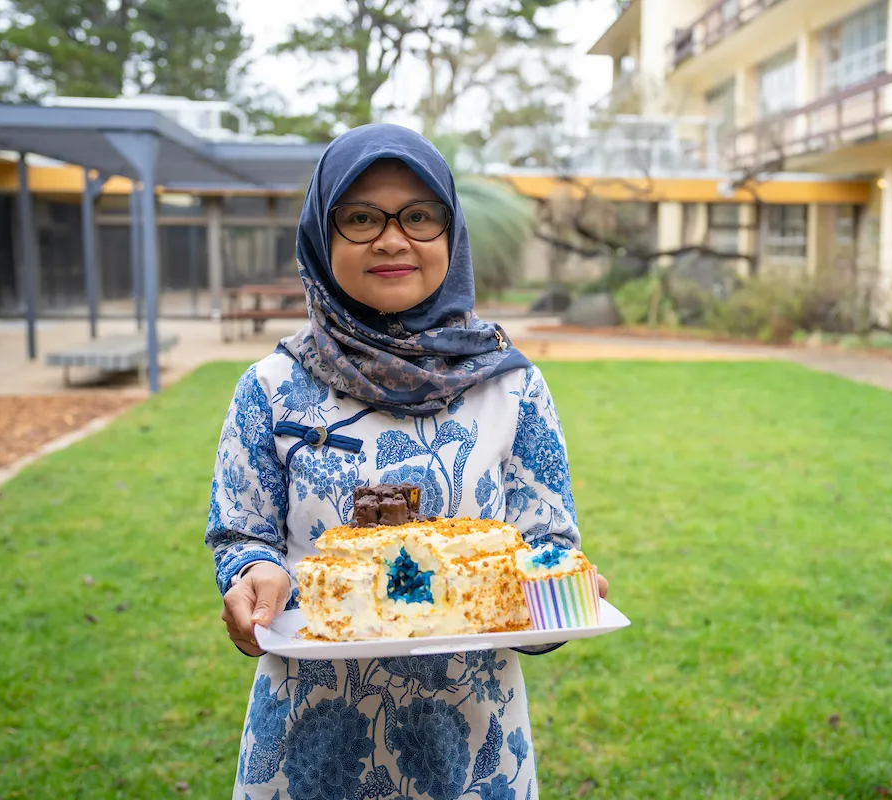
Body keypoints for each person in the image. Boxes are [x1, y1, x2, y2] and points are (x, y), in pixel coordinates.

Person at [206, 124, 608, 800]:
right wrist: (251, 574)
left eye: (419, 216)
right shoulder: (271, 388)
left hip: (469, 746)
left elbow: (547, 548)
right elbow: (241, 531)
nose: (393, 239)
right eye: (361, 217)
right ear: (321, 234)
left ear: (451, 235)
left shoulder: (512, 387)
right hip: (309, 742)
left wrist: (561, 598)